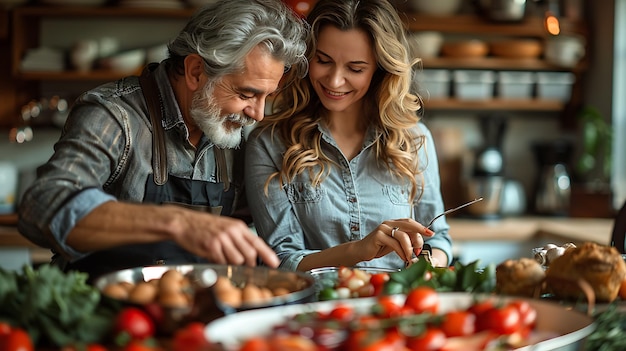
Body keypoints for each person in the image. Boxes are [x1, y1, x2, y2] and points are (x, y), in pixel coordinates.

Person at [17, 0, 308, 281]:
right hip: (105, 310)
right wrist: (177, 223)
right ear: (196, 71)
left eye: (266, 97)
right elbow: (42, 205)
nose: (257, 114)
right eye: (246, 94)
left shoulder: (235, 134)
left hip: (195, 312)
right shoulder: (114, 115)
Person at [245, 0, 453, 272]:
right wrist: (358, 250)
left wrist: (429, 266)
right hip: (314, 308)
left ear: (380, 69)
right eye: (323, 61)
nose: (334, 81)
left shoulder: (414, 140)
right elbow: (282, 260)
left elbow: (438, 239)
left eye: (355, 68)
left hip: (400, 306)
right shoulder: (269, 143)